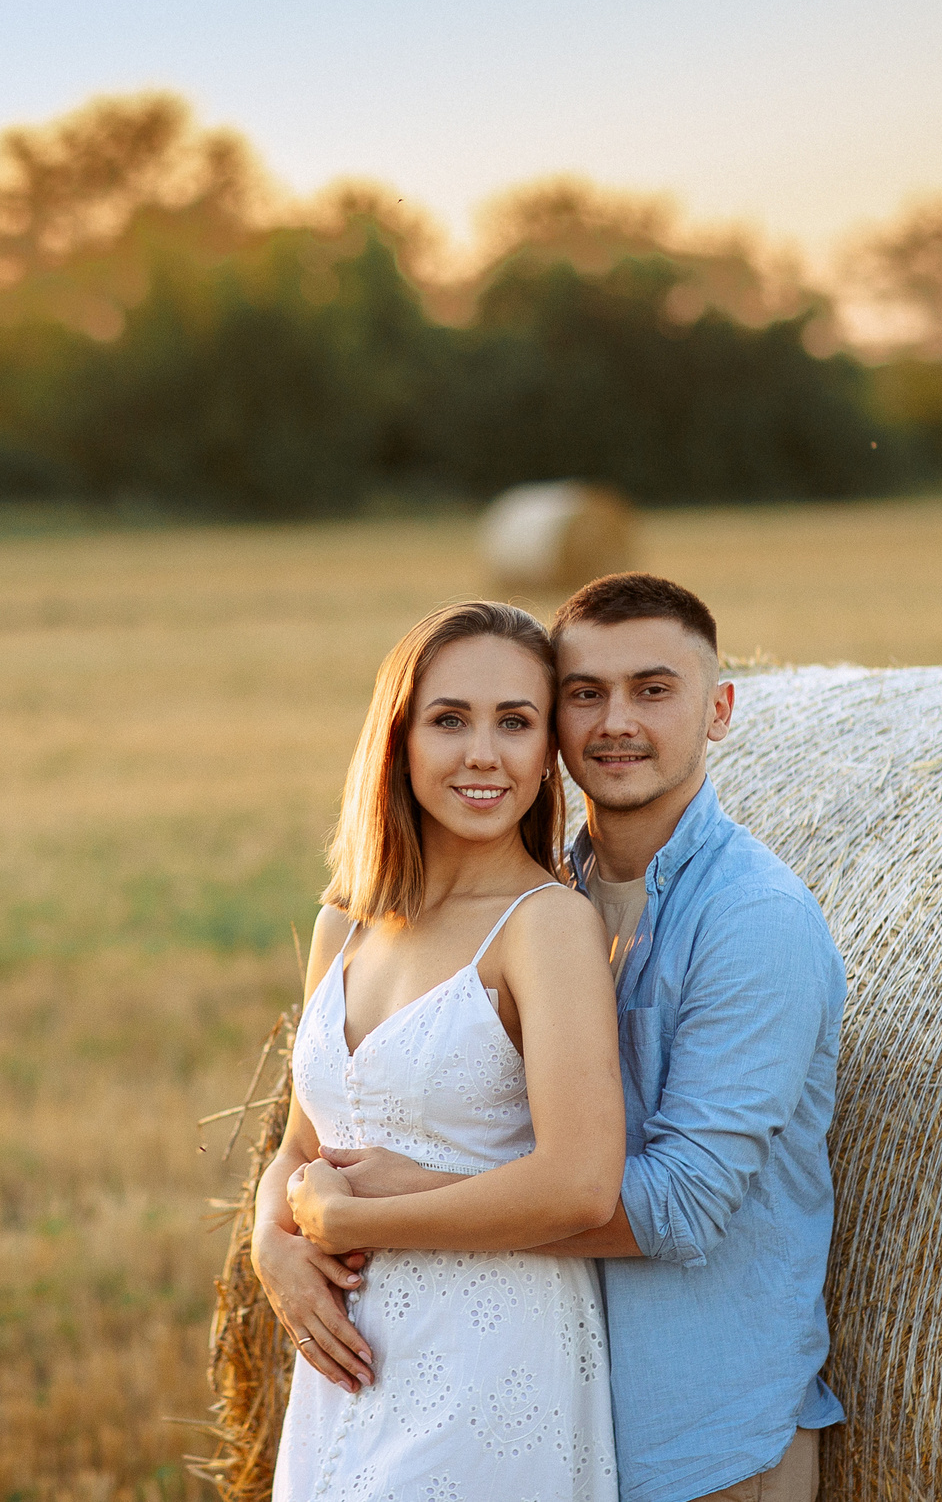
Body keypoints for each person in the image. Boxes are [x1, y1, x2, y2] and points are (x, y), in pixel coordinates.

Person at [319, 574, 848, 1502]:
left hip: (704, 1438)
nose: (615, 722)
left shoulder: (752, 920)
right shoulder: (546, 896)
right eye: (585, 693)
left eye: (654, 689)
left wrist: (397, 1209)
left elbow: (681, 1204)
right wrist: (275, 1237)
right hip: (543, 1404)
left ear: (718, 710)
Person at [254, 599, 625, 1499]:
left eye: (516, 722)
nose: (483, 754)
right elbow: (306, 1143)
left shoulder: (545, 927)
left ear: (548, 755)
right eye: (450, 719)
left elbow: (580, 1181)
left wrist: (353, 1223)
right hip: (344, 1373)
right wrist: (272, 1241)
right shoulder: (343, 922)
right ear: (400, 738)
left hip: (489, 1364)